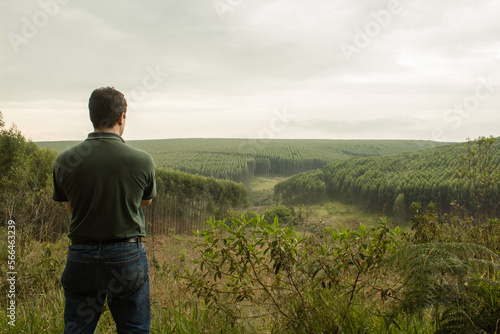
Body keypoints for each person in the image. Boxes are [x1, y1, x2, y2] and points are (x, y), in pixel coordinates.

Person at [52, 87, 156, 333]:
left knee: (77, 329)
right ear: (121, 117)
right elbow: (145, 202)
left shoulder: (64, 160)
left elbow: (70, 206)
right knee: (134, 329)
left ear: (92, 116)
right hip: (127, 257)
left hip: (81, 255)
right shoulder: (142, 160)